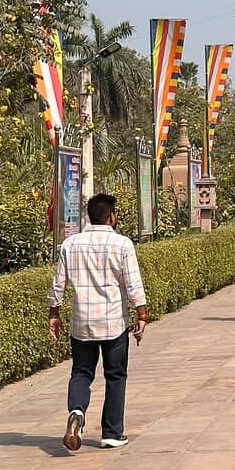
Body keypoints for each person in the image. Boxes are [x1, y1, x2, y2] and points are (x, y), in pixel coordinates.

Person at [47, 192, 148, 452]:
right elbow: (133, 283)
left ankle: (77, 412)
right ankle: (112, 433)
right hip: (113, 321)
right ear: (112, 217)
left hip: (82, 322)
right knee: (115, 375)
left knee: (81, 372)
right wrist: (142, 314)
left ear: (89, 217)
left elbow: (58, 283)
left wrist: (54, 314)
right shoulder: (123, 244)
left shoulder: (71, 245)